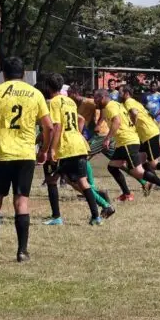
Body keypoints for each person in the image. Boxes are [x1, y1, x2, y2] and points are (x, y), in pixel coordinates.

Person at [0, 57, 53, 262]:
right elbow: (49, 126)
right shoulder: (35, 94)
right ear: (25, 74)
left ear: (4, 73)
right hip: (25, 155)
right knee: (21, 202)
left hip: (2, 154)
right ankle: (22, 252)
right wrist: (44, 150)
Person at [41, 73, 113, 226]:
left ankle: (56, 217)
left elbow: (57, 126)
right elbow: (79, 119)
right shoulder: (70, 102)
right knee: (83, 182)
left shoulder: (53, 102)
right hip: (79, 144)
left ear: (47, 86)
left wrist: (51, 150)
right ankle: (96, 217)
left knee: (51, 180)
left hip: (65, 147)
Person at [95, 89, 160, 202]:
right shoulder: (117, 104)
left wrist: (107, 139)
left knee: (137, 172)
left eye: (96, 98)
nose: (95, 101)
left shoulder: (110, 106)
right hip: (125, 142)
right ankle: (127, 194)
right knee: (112, 167)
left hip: (127, 141)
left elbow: (117, 121)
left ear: (103, 97)